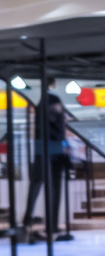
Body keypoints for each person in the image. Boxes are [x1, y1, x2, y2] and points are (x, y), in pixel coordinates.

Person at [21, 77, 69, 240]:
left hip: (44, 149)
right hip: (51, 149)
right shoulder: (52, 100)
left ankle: (28, 222)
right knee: (51, 188)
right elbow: (57, 124)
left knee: (37, 186)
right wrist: (62, 141)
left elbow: (48, 125)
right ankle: (50, 225)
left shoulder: (42, 101)